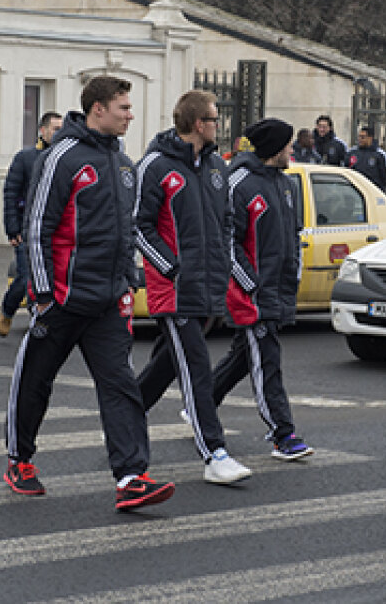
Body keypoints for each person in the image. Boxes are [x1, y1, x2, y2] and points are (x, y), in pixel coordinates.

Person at [4, 75, 175, 511]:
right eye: (124, 107)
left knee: (120, 387)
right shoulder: (61, 155)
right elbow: (37, 226)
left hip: (107, 302)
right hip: (61, 299)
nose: (130, 115)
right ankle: (20, 459)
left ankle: (132, 477)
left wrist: (126, 284)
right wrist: (42, 293)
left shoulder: (121, 160)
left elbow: (126, 229)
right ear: (98, 108)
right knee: (35, 382)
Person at [134, 89, 251, 485]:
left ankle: (124, 418)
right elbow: (140, 225)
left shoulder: (218, 167)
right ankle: (214, 452)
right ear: (199, 123)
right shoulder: (154, 166)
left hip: (208, 285)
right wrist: (171, 267)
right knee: (197, 367)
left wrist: (225, 267)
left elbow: (227, 221)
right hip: (175, 289)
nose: (219, 125)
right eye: (215, 119)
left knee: (168, 363)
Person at [212, 117, 313, 460]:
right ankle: (283, 435)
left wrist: (292, 277)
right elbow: (227, 242)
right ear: (273, 148)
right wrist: (250, 284)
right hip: (251, 295)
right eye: (287, 145)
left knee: (245, 358)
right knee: (267, 362)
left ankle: (201, 402)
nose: (292, 150)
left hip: (276, 290)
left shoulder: (286, 184)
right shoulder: (238, 183)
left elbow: (293, 235)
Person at [0, 111, 63, 337]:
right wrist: (12, 228)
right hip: (26, 230)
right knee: (26, 277)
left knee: (48, 278)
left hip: (52, 231)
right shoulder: (25, 158)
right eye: (55, 129)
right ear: (42, 131)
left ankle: (41, 320)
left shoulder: (63, 158)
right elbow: (11, 193)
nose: (59, 134)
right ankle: (7, 309)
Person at [347, 125, 386, 199]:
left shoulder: (380, 154)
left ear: (370, 138)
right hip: (355, 193)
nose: (360, 139)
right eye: (359, 137)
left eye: (363, 137)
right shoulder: (352, 153)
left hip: (374, 193)